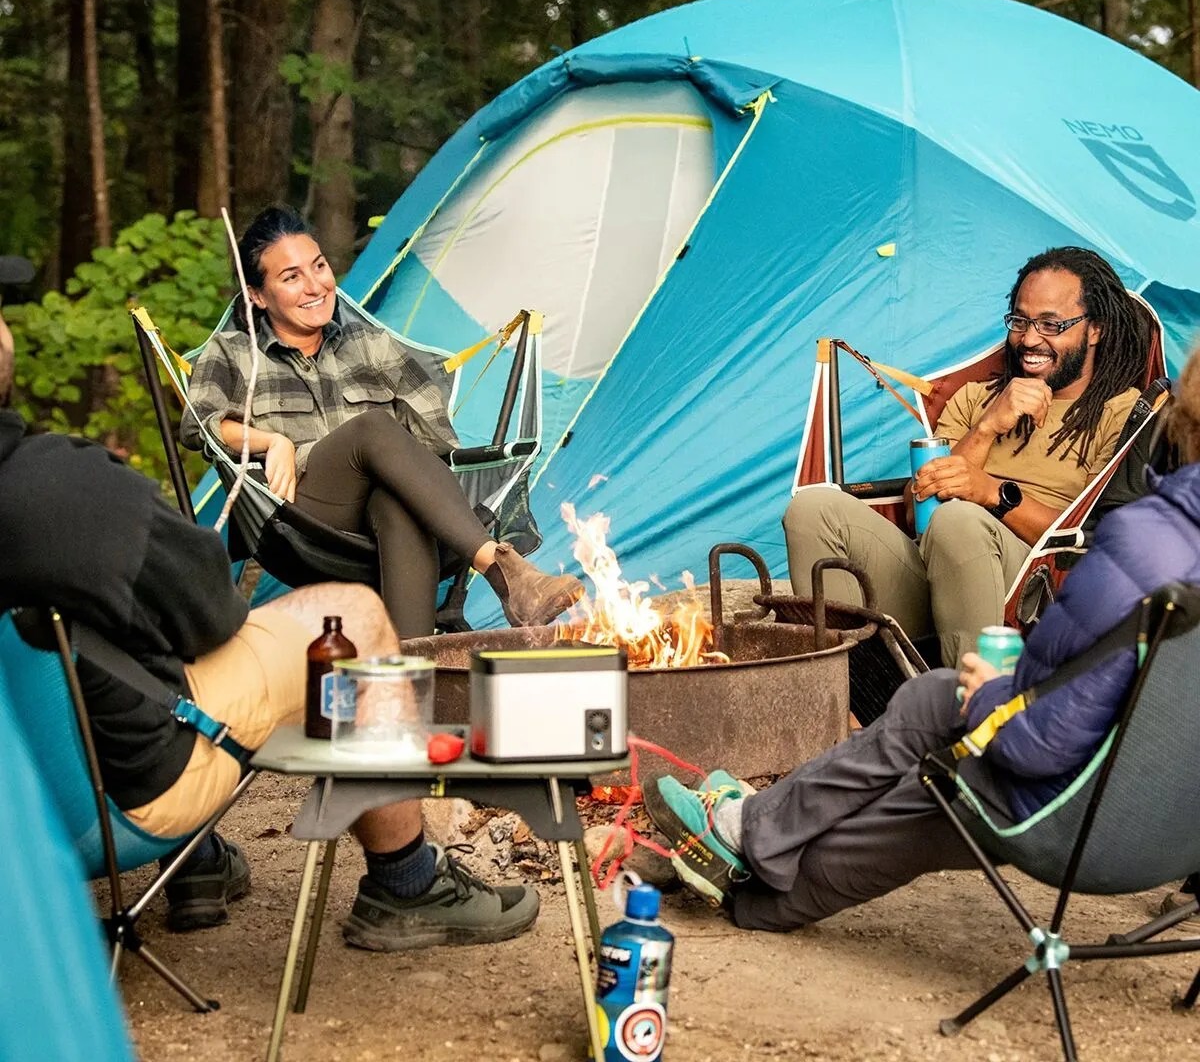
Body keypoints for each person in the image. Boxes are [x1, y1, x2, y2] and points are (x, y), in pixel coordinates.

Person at [0, 299, 538, 950]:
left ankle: (199, 864)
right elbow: (211, 612)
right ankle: (406, 883)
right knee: (354, 617)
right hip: (119, 803)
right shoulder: (58, 487)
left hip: (20, 818)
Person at [644, 339, 1200, 931]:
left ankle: (747, 834)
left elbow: (1034, 745)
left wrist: (989, 693)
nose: (1032, 338)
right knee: (933, 745)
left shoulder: (1150, 545)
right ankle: (752, 878)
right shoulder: (991, 407)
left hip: (1081, 824)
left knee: (944, 719)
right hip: (1176, 835)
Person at [180, 205, 583, 639]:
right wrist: (272, 441)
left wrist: (410, 482)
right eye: (291, 277)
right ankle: (503, 570)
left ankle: (406, 676)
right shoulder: (234, 352)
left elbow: (436, 439)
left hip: (377, 516)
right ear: (257, 295)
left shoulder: (369, 344)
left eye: (318, 266)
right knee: (372, 427)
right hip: (298, 516)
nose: (315, 286)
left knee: (396, 505)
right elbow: (198, 424)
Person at [783, 246, 1150, 667]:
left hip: (1038, 588)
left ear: (1095, 330)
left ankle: (971, 708)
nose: (1030, 339)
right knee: (813, 507)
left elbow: (1100, 541)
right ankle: (851, 689)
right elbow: (915, 508)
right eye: (1020, 321)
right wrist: (988, 427)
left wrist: (992, 493)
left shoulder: (1122, 415)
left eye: (1051, 324)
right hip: (936, 566)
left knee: (959, 518)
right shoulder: (976, 399)